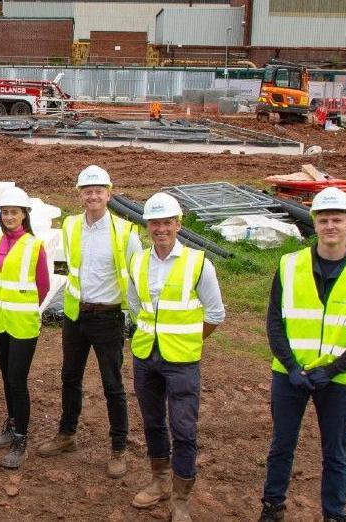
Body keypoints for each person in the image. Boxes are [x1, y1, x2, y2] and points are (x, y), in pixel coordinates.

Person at [259, 187, 346, 522]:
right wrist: (291, 366)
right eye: (324, 219)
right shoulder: (289, 265)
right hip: (290, 375)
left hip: (338, 378)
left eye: (337, 219)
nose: (330, 225)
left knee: (336, 454)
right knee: (282, 446)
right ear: (314, 223)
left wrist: (332, 369)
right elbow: (274, 321)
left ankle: (334, 514)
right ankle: (272, 507)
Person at [36, 165, 142, 481]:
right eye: (87, 190)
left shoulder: (126, 233)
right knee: (70, 377)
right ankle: (67, 434)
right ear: (80, 194)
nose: (92, 195)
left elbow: (137, 278)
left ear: (109, 194)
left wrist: (137, 318)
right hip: (75, 315)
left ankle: (118, 448)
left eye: (98, 190)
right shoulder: (70, 227)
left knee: (112, 384)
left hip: (108, 317)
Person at [126, 192, 225, 522]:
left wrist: (189, 341)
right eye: (154, 222)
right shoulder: (138, 260)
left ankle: (181, 498)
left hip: (182, 360)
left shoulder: (199, 264)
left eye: (167, 222)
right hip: (146, 356)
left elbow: (215, 314)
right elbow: (136, 305)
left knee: (183, 429)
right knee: (153, 422)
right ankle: (160, 480)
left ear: (178, 224)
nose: (160, 229)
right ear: (147, 226)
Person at [0, 187, 51, 469]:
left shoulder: (34, 245)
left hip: (23, 323)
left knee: (17, 380)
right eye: (5, 212)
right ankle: (12, 424)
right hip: (1, 321)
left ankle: (21, 439)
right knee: (6, 377)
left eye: (14, 212)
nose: (9, 216)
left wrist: (29, 310)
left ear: (24, 215)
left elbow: (44, 286)